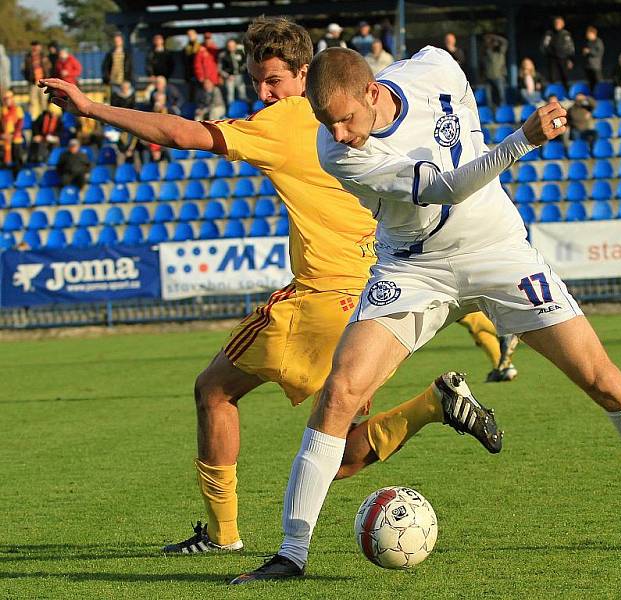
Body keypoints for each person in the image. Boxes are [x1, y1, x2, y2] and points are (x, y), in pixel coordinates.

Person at [228, 45, 621, 583]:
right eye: (327, 123)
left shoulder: (435, 66)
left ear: (372, 91)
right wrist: (522, 141)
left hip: (500, 252)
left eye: (344, 119)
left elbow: (457, 105)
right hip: (414, 269)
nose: (338, 133)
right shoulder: (339, 154)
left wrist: (479, 138)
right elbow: (443, 188)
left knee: (603, 380)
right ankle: (291, 553)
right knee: (340, 394)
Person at [41, 16, 516, 560]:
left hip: (319, 299)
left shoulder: (288, 121)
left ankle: (223, 535)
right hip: (376, 300)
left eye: (274, 81)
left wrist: (90, 107)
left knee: (212, 391)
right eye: (256, 82)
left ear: (304, 75)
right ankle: (435, 405)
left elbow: (181, 133)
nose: (264, 94)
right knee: (333, 452)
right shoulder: (355, 121)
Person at [540, 16, 575, 88]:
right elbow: (544, 46)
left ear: (563, 24)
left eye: (559, 23)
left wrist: (570, 59)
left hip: (563, 58)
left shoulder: (566, 34)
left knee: (565, 77)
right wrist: (550, 53)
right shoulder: (549, 33)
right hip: (552, 58)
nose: (557, 24)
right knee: (552, 77)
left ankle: (567, 92)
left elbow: (570, 47)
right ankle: (553, 94)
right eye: (556, 23)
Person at [23, 41, 52, 119]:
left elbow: (49, 68)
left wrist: (47, 80)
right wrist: (29, 79)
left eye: (37, 46)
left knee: (43, 101)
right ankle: (33, 120)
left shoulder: (44, 56)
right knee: (32, 102)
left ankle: (45, 120)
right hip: (33, 83)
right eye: (33, 46)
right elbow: (24, 70)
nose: (35, 48)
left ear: (40, 47)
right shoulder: (28, 57)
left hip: (43, 82)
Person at [218, 38, 248, 105]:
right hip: (229, 78)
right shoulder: (223, 55)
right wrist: (227, 75)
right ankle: (231, 109)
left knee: (242, 93)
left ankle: (244, 108)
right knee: (230, 94)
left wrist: (243, 68)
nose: (231, 48)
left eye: (233, 46)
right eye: (229, 46)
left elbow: (246, 62)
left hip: (240, 76)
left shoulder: (240, 52)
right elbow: (220, 69)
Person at [1, 91, 24, 172]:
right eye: (5, 98)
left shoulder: (18, 109)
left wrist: (13, 135)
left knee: (17, 161)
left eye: (9, 98)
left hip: (15, 139)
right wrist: (2, 135)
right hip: (4, 139)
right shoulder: (2, 111)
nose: (7, 100)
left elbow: (20, 124)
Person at [482, 33, 508, 107]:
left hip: (499, 76)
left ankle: (503, 112)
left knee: (502, 97)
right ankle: (490, 113)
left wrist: (494, 37)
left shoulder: (500, 51)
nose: (493, 44)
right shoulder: (486, 51)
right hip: (488, 77)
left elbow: (505, 42)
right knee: (488, 98)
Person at [581, 26, 604, 91]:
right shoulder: (588, 42)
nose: (587, 35)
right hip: (588, 67)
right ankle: (592, 96)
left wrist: (589, 51)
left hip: (595, 67)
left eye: (588, 34)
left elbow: (599, 53)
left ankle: (600, 95)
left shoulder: (598, 41)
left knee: (598, 83)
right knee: (591, 84)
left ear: (593, 33)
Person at [183, 29, 202, 102]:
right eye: (189, 35)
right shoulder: (186, 48)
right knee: (191, 94)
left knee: (200, 93)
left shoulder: (200, 47)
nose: (190, 36)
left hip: (199, 74)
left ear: (196, 35)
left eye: (192, 35)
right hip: (190, 74)